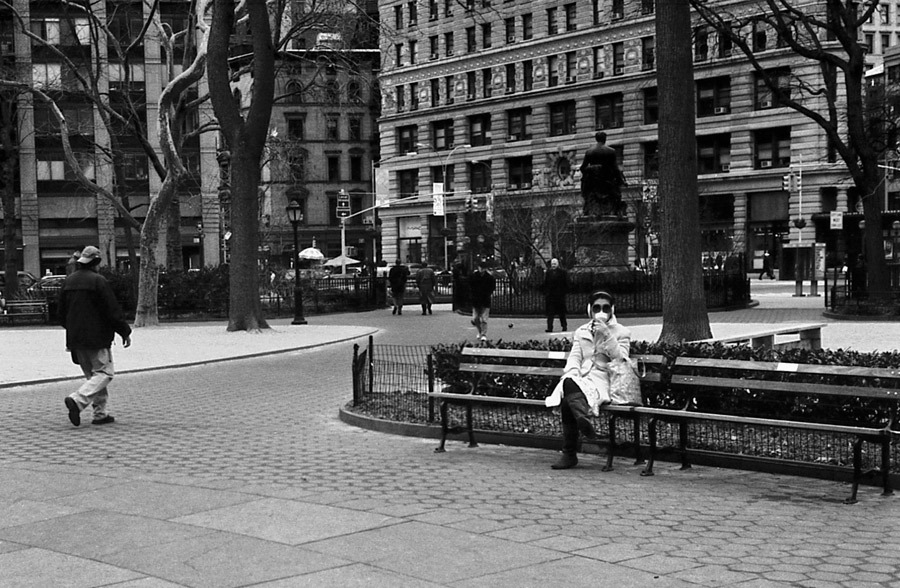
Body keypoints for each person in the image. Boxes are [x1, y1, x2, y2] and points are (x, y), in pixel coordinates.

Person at [546, 290, 631, 469]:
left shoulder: (622, 332)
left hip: (603, 379)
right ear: (590, 310)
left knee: (568, 396)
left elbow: (621, 360)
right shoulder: (581, 331)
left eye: (606, 308)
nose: (601, 311)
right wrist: (572, 372)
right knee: (568, 382)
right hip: (580, 380)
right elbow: (575, 357)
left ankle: (569, 453)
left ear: (612, 310)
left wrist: (607, 334)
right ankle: (581, 418)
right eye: (597, 308)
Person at [58, 245, 132, 427]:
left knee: (93, 377)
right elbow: (112, 310)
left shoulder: (68, 282)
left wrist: (72, 329)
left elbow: (60, 314)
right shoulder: (99, 281)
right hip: (97, 337)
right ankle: (78, 399)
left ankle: (101, 413)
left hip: (75, 339)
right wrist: (124, 331)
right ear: (96, 262)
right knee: (104, 373)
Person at [579, 131, 627, 218]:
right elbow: (615, 168)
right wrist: (621, 180)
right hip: (607, 182)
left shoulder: (589, 152)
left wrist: (592, 171)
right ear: (605, 139)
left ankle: (588, 212)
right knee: (616, 196)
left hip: (593, 184)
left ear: (596, 139)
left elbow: (582, 168)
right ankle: (616, 212)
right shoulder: (611, 151)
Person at [468, 258, 496, 343]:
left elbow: (492, 287)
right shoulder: (473, 276)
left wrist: (488, 293)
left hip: (485, 299)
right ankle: (480, 332)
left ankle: (483, 334)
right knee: (475, 318)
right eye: (480, 267)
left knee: (484, 319)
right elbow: (470, 286)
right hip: (476, 300)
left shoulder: (489, 277)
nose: (481, 269)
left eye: (483, 268)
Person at [542, 258, 569, 332]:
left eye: (555, 264)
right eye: (552, 264)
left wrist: (563, 292)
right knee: (550, 314)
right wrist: (546, 292)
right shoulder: (548, 272)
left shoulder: (562, 272)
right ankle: (549, 327)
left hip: (560, 296)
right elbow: (546, 283)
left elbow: (566, 283)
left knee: (562, 313)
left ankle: (564, 326)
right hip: (551, 296)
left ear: (558, 264)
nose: (553, 265)